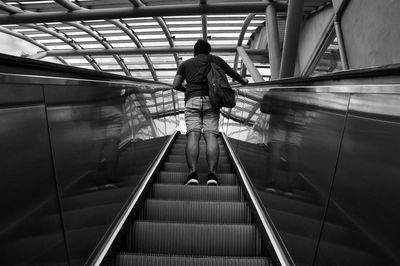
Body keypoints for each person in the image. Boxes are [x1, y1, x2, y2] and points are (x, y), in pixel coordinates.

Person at [172, 40, 248, 185]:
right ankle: (212, 175)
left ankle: (192, 174)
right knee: (211, 136)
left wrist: (188, 90)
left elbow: (175, 85)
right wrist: (243, 81)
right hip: (212, 101)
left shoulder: (185, 64)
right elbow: (232, 73)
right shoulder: (215, 60)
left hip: (192, 101)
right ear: (208, 51)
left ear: (194, 51)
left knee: (193, 136)